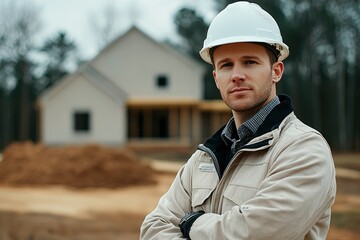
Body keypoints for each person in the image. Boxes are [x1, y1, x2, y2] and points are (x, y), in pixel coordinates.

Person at [140, 1, 336, 239]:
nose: (237, 75)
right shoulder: (204, 157)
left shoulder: (303, 149)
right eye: (226, 65)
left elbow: (254, 234)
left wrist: (192, 223)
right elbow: (153, 228)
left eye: (250, 62)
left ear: (276, 71)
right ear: (216, 78)